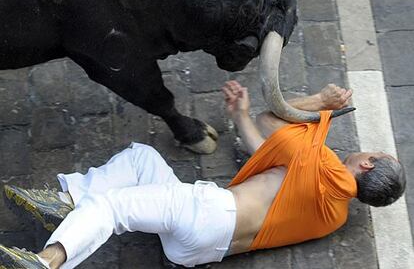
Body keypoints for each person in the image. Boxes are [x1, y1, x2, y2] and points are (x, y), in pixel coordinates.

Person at [0, 81, 406, 269]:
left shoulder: (324, 164)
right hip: (197, 252)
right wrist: (239, 117)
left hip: (208, 212)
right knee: (142, 159)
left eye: (375, 152)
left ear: (367, 165)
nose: (368, 151)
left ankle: (47, 262)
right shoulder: (333, 215)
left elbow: (271, 119)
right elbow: (271, 157)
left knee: (112, 206)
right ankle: (67, 205)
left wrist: (321, 101)